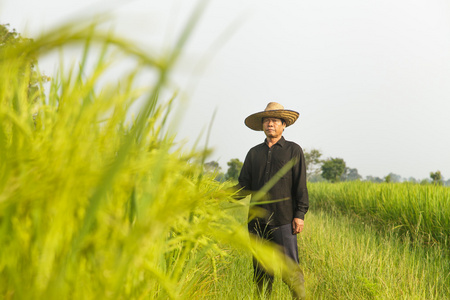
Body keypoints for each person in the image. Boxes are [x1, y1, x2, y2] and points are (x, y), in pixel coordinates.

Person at [236, 102, 308, 299]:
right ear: (262, 126)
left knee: (290, 270)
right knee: (261, 271)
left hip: (283, 220)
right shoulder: (254, 153)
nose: (270, 124)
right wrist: (218, 195)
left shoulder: (293, 150)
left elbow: (300, 185)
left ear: (283, 125)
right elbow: (244, 186)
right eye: (267, 120)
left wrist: (299, 215)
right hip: (256, 223)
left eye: (275, 120)